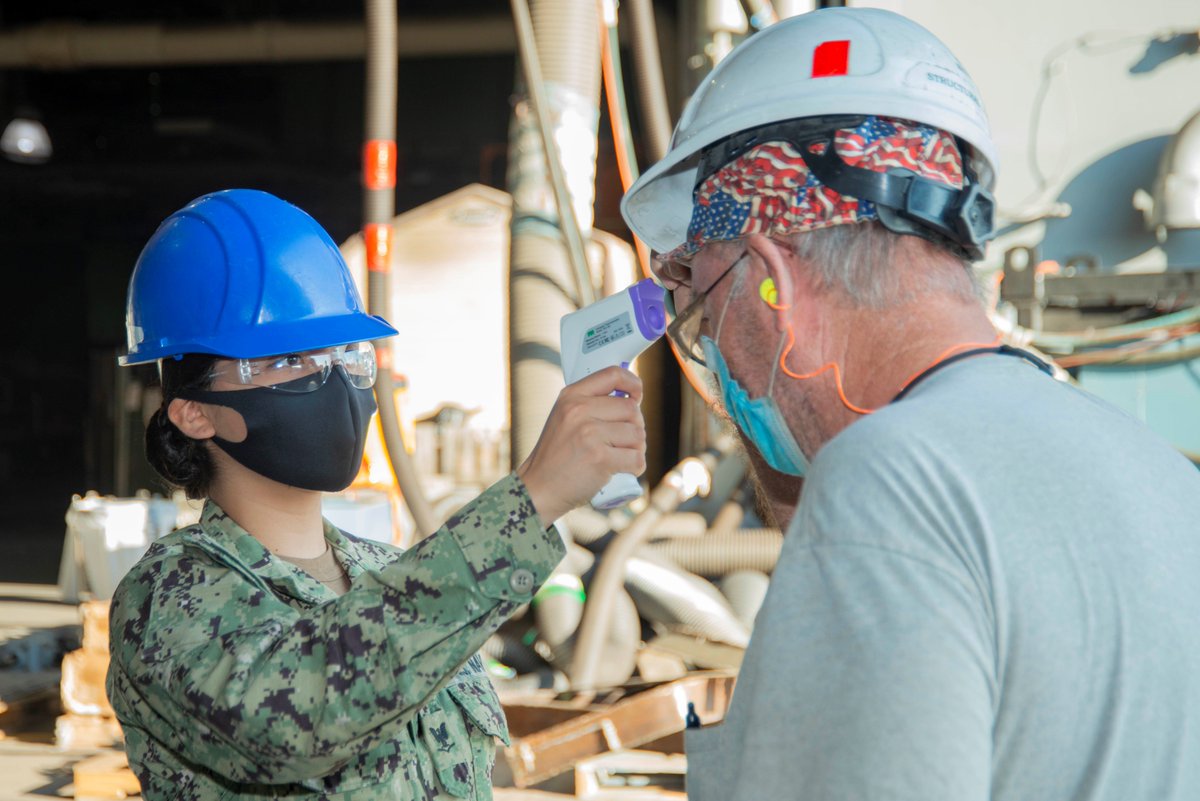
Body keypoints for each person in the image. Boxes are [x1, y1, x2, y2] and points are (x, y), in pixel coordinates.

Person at [622, 8, 1200, 800]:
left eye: (706, 309)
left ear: (772, 280)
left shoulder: (890, 486)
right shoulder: (1160, 474)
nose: (715, 358)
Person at [106, 188, 646, 800]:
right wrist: (534, 497)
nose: (332, 378)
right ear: (195, 413)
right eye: (288, 360)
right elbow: (298, 718)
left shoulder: (386, 573)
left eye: (345, 352)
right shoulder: (165, 599)